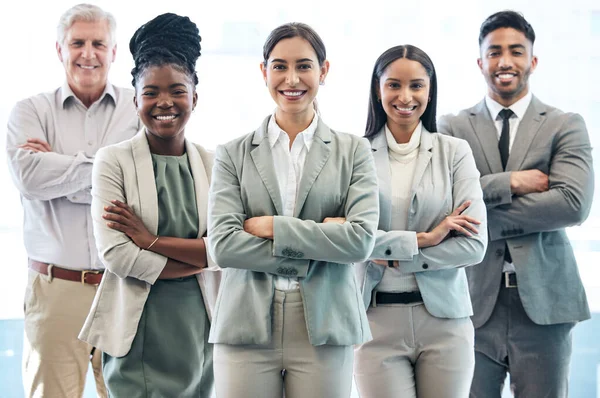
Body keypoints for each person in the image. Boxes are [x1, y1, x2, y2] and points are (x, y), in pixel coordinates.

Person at [207, 22, 379, 398]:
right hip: (245, 321)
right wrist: (320, 243)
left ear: (324, 71)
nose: (291, 78)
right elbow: (222, 246)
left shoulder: (354, 151)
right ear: (263, 71)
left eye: (304, 65)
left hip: (325, 320)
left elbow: (359, 242)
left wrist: (274, 227)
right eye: (279, 66)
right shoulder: (232, 154)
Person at [438, 10, 594, 397]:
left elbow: (572, 205)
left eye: (516, 51)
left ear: (533, 61)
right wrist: (513, 182)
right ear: (480, 62)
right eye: (494, 52)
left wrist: (479, 204)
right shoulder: (451, 129)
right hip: (473, 304)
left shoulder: (565, 124)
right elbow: (442, 202)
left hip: (545, 305)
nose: (505, 61)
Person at [78, 12, 219, 398]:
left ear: (194, 96)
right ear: (135, 99)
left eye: (177, 90)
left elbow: (226, 250)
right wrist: (199, 257)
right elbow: (118, 257)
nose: (164, 102)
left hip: (202, 328)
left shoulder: (214, 163)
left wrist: (151, 241)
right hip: (139, 330)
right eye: (151, 92)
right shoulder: (113, 160)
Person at [5, 4, 139, 397]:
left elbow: (142, 185)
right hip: (55, 288)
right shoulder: (29, 111)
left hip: (124, 288)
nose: (88, 52)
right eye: (77, 42)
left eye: (99, 43)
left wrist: (60, 170)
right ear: (59, 49)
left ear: (114, 52)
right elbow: (29, 178)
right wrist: (110, 168)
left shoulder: (139, 109)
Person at [353, 44, 487, 398]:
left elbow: (473, 244)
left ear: (430, 90)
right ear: (378, 89)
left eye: (416, 85)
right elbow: (345, 238)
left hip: (444, 322)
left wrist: (388, 251)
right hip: (374, 321)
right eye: (394, 85)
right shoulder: (353, 154)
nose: (405, 96)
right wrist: (424, 239)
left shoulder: (454, 152)